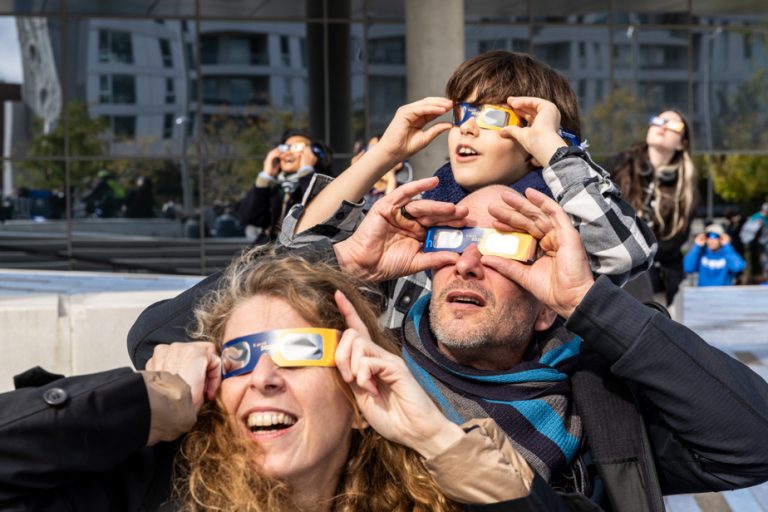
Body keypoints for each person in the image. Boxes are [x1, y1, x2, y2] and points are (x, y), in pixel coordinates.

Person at [128, 180, 768, 511]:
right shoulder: (365, 374)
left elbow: (752, 444)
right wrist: (346, 259)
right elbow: (156, 341)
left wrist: (589, 303)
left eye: (504, 250)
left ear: (547, 307)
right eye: (451, 243)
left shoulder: (597, 406)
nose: (466, 263)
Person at [1, 253, 569, 511]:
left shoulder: (436, 499)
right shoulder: (139, 490)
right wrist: (146, 403)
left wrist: (438, 439)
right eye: (239, 358)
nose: (264, 378)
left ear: (356, 398)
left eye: (300, 352)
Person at [278, 51, 656, 330]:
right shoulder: (419, 218)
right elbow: (300, 253)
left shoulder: (557, 230)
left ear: (536, 139)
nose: (467, 128)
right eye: (461, 114)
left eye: (492, 116)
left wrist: (557, 152)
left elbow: (625, 254)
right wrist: (384, 154)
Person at [603, 110, 697, 307]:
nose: (662, 126)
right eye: (658, 120)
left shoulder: (686, 187)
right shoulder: (617, 166)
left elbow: (675, 242)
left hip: (656, 276)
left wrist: (639, 253)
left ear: (682, 143)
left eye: (673, 126)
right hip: (609, 265)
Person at [238, 129, 333, 244]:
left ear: (314, 153)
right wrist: (265, 177)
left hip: (302, 255)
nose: (288, 153)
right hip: (267, 256)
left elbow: (323, 211)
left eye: (297, 147)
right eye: (285, 148)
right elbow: (249, 217)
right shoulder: (276, 187)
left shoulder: (327, 183)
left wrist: (306, 173)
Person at [351, 134, 411, 210]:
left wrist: (390, 179)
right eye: (369, 149)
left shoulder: (403, 189)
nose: (370, 155)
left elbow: (387, 209)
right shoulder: (364, 188)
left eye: (376, 150)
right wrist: (354, 172)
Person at [740, 202, 768, 284]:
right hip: (756, 246)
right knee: (755, 263)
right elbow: (748, 234)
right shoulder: (757, 218)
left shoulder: (764, 218)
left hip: (762, 245)